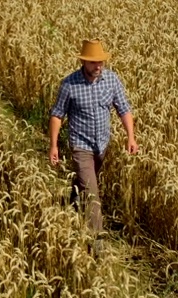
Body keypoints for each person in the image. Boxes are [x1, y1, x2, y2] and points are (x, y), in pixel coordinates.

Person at [48, 39, 138, 254]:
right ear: (83, 62)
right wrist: (53, 146)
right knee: (93, 193)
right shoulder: (69, 84)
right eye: (93, 62)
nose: (98, 66)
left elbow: (123, 109)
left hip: (102, 144)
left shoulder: (112, 80)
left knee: (86, 184)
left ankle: (72, 203)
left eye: (101, 62)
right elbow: (57, 114)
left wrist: (131, 137)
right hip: (81, 145)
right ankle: (96, 241)